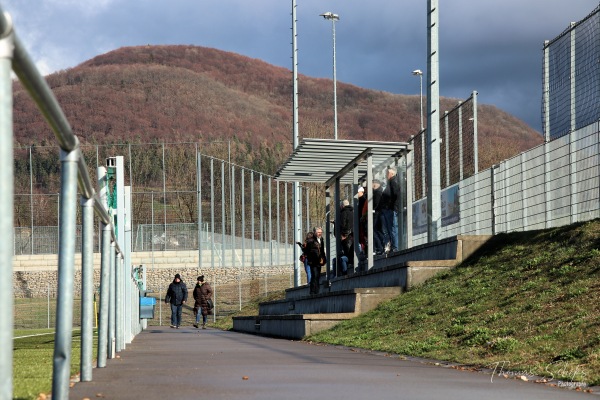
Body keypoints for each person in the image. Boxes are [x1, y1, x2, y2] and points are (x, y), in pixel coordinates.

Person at [382, 167, 401, 252]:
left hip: (391, 209)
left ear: (392, 174)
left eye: (387, 173)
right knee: (390, 229)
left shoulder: (393, 182)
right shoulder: (390, 182)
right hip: (389, 209)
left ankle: (395, 247)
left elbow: (396, 195)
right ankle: (392, 246)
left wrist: (394, 207)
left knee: (392, 229)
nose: (386, 175)